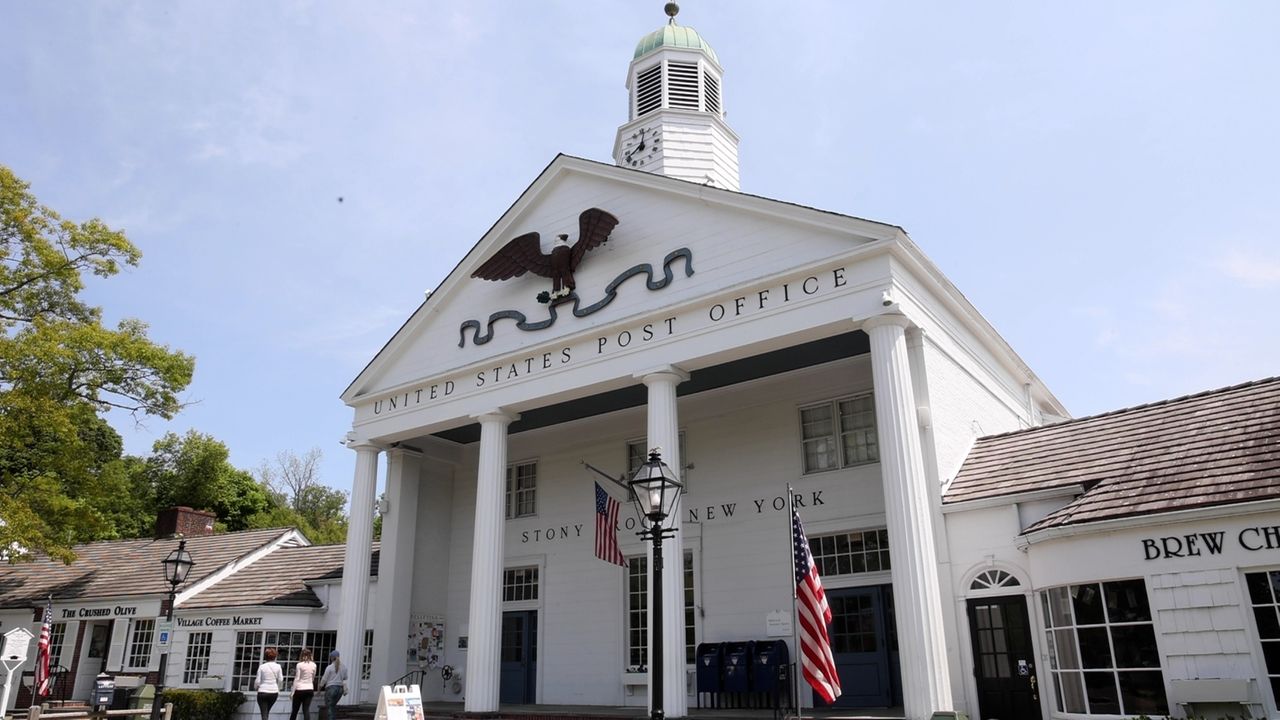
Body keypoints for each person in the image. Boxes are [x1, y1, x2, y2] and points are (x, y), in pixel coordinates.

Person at [254, 647, 285, 720]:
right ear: (275, 656)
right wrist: (279, 689)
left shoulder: (262, 667)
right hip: (274, 692)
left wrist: (256, 688)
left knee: (264, 714)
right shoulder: (278, 666)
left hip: (263, 692)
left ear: (266, 656)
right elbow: (281, 679)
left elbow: (257, 681)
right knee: (266, 712)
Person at [318, 649, 348, 720]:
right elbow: (345, 677)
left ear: (332, 657)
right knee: (332, 707)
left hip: (331, 689)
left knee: (330, 708)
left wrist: (319, 688)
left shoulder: (329, 667)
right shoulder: (344, 667)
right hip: (340, 689)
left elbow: (324, 679)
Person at [289, 649, 318, 720]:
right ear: (311, 655)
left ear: (301, 655)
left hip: (300, 689)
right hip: (309, 689)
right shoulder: (314, 665)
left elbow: (297, 678)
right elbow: (313, 677)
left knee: (295, 711)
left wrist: (292, 692)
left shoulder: (299, 665)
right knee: (306, 710)